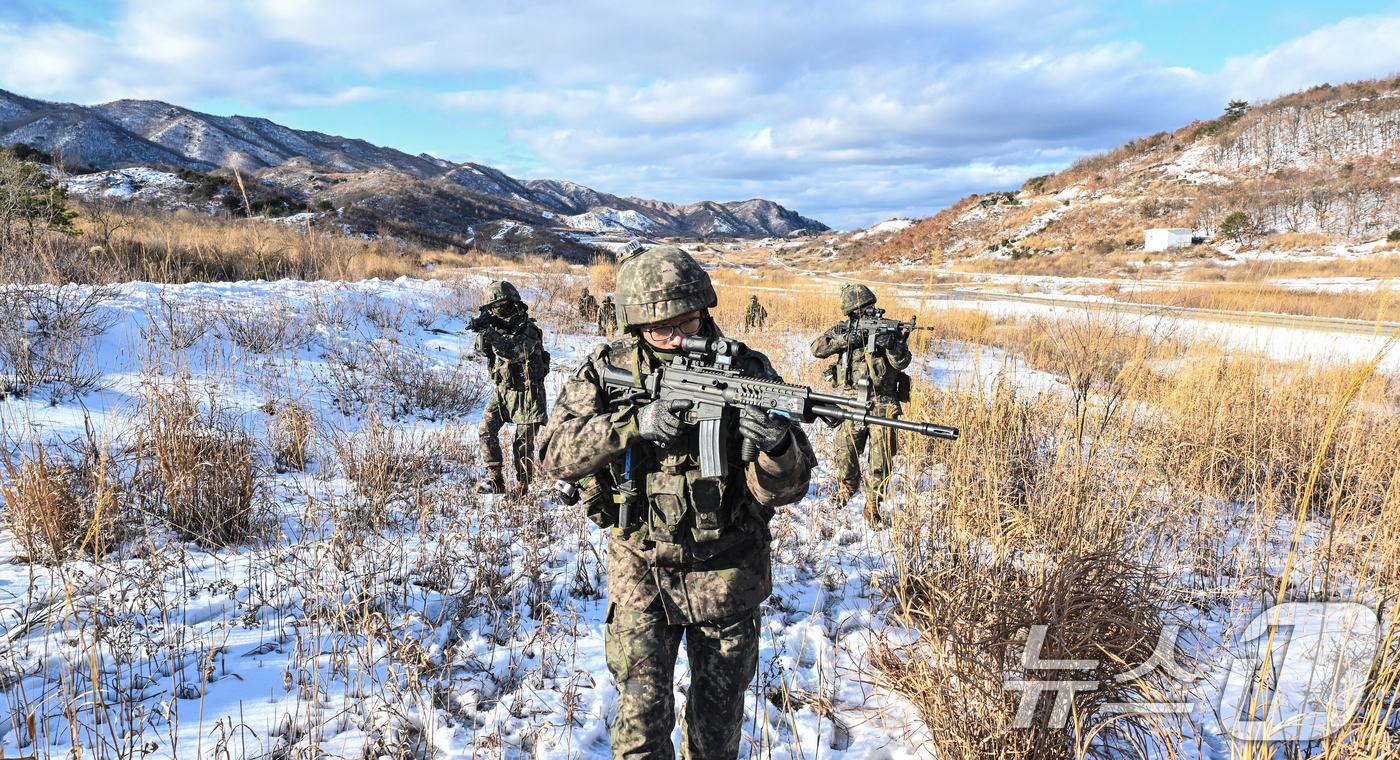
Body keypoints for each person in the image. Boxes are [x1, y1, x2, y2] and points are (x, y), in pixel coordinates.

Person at [539, 246, 815, 760]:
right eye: (660, 330)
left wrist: (776, 447)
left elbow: (791, 489)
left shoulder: (749, 370)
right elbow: (552, 454)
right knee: (639, 734)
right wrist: (631, 425)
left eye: (688, 323)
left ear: (705, 310)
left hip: (729, 575)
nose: (678, 339)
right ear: (635, 324)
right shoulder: (606, 372)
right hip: (642, 572)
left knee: (716, 738)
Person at [809, 283, 911, 528]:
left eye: (871, 306)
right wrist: (846, 338)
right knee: (846, 449)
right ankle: (848, 486)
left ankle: (873, 504)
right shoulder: (843, 329)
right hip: (851, 400)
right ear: (852, 312)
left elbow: (903, 362)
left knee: (881, 457)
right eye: (862, 309)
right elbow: (816, 349)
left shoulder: (889, 329)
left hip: (883, 401)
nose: (868, 311)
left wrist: (892, 345)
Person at [475, 280, 550, 494]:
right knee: (486, 431)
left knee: (523, 445)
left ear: (514, 302)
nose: (499, 308)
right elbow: (481, 352)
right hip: (504, 390)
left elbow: (513, 352)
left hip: (528, 394)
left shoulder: (529, 330)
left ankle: (522, 487)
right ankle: (495, 479)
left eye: (503, 303)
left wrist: (492, 335)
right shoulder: (496, 327)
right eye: (494, 306)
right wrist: (484, 332)